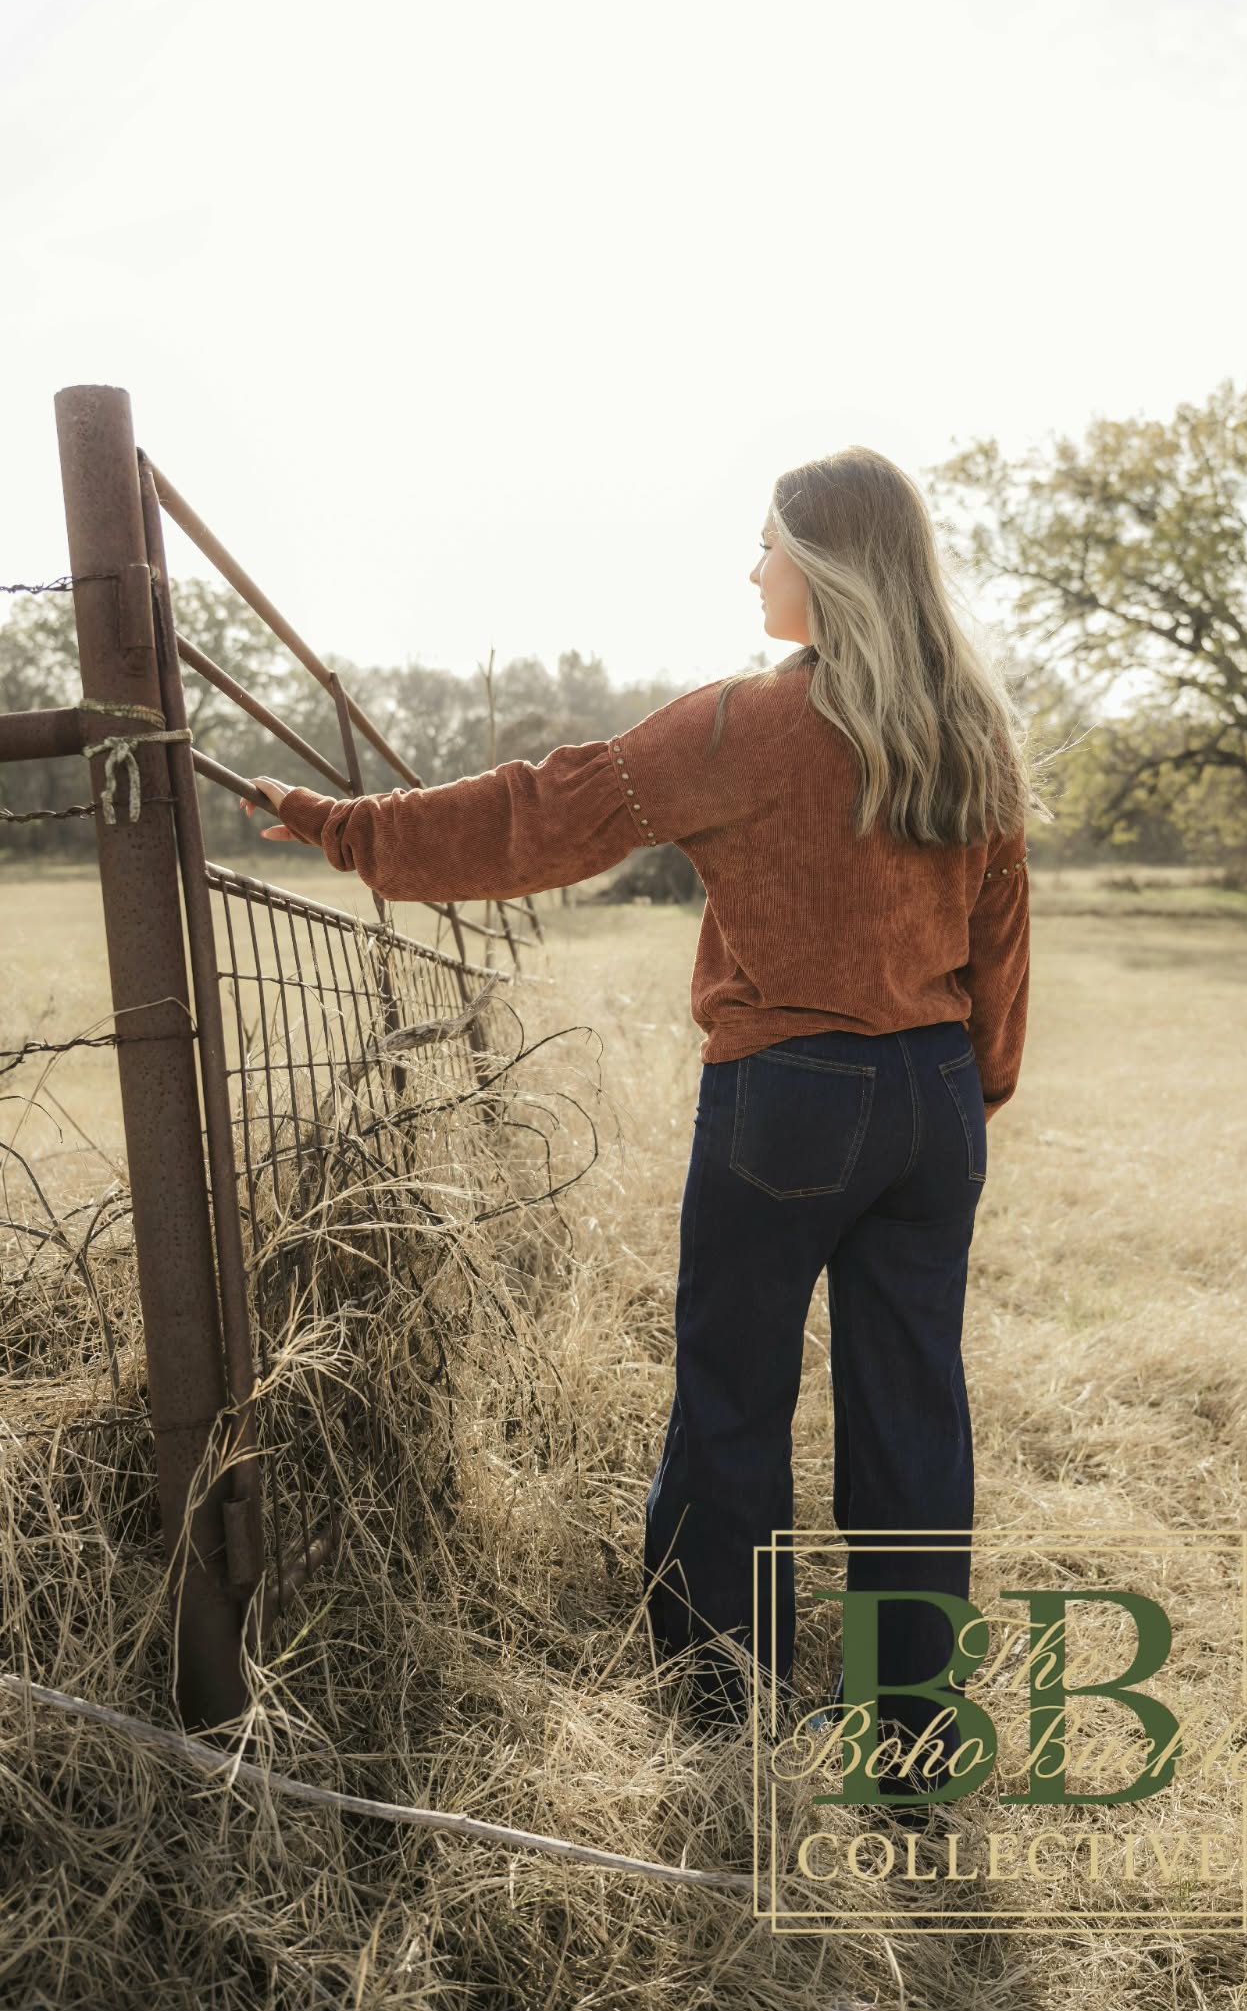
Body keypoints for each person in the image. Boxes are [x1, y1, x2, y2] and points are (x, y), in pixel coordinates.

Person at [242, 445, 1048, 1805]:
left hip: (790, 1094)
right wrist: (970, 1088)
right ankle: (906, 1725)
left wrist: (343, 826)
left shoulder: (744, 727)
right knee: (913, 1409)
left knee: (732, 1396)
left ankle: (724, 1701)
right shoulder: (966, 722)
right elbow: (1002, 932)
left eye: (767, 545)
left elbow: (537, 815)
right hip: (928, 1100)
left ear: (826, 566)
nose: (751, 568)